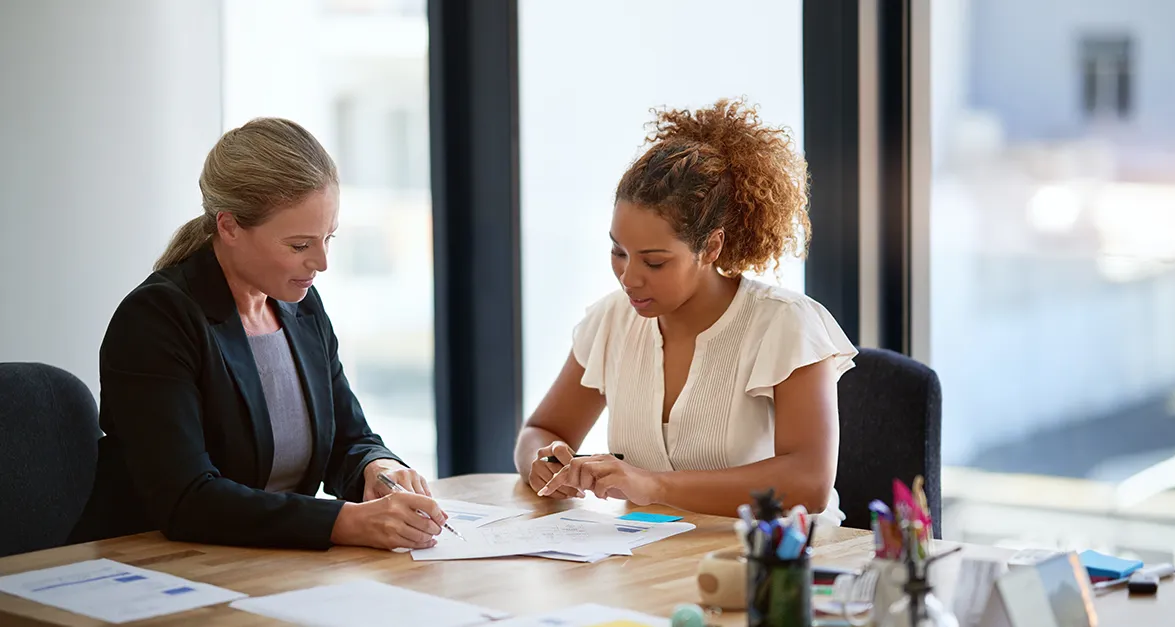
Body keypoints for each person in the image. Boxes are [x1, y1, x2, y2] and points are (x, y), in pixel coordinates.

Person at [69, 118, 446, 551]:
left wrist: (378, 468)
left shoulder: (300, 307)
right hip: (154, 572)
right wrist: (344, 523)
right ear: (228, 227)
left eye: (329, 238)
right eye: (300, 245)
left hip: (265, 567)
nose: (321, 263)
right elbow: (188, 500)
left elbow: (348, 439)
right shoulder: (156, 320)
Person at [514, 99, 857, 520]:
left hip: (773, 566)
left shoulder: (786, 325)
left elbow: (809, 483)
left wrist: (652, 485)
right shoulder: (611, 321)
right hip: (651, 564)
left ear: (711, 247)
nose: (629, 278)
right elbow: (540, 431)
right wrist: (546, 462)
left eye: (654, 261)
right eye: (618, 252)